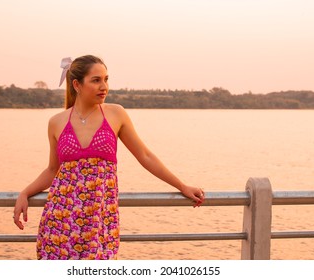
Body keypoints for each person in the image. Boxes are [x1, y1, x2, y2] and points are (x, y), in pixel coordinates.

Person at [13, 55, 205, 260]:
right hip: (61, 222)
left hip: (99, 224)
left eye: (106, 79)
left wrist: (182, 186)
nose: (104, 86)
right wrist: (25, 193)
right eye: (96, 80)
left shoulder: (115, 114)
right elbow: (52, 170)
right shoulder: (56, 122)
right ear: (77, 84)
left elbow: (145, 156)